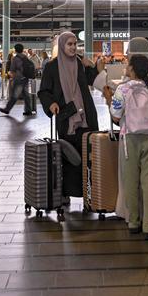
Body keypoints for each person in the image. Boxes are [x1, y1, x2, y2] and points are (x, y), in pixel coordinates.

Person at [104, 54, 148, 238]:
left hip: (129, 140)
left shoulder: (123, 89)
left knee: (130, 182)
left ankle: (134, 222)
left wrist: (109, 98)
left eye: (128, 65)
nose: (126, 67)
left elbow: (116, 117)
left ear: (132, 69)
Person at [37, 31, 100, 198]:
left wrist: (90, 66)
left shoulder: (80, 63)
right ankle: (66, 192)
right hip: (67, 117)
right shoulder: (52, 67)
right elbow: (44, 91)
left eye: (75, 44)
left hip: (86, 118)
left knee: (87, 156)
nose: (73, 47)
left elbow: (94, 81)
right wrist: (51, 103)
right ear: (62, 46)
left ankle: (88, 194)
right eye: (69, 44)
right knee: (69, 156)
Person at [0, 43, 32, 116]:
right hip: (25, 78)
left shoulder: (15, 58)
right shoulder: (25, 57)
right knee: (26, 95)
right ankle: (28, 110)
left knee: (14, 95)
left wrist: (12, 78)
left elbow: (12, 70)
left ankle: (7, 109)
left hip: (18, 79)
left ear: (15, 50)